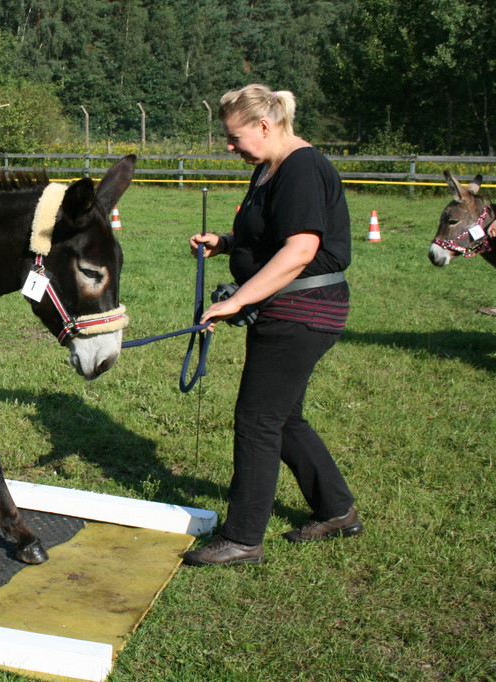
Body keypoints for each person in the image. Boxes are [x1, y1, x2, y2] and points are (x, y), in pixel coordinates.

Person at [182, 84, 361, 567]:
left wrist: (237, 299)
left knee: (258, 419)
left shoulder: (302, 167)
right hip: (290, 307)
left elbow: (300, 250)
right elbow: (270, 233)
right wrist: (226, 242)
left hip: (302, 310)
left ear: (264, 126)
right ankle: (337, 510)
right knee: (282, 417)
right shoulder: (270, 167)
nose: (229, 146)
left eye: (234, 137)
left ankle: (242, 538)